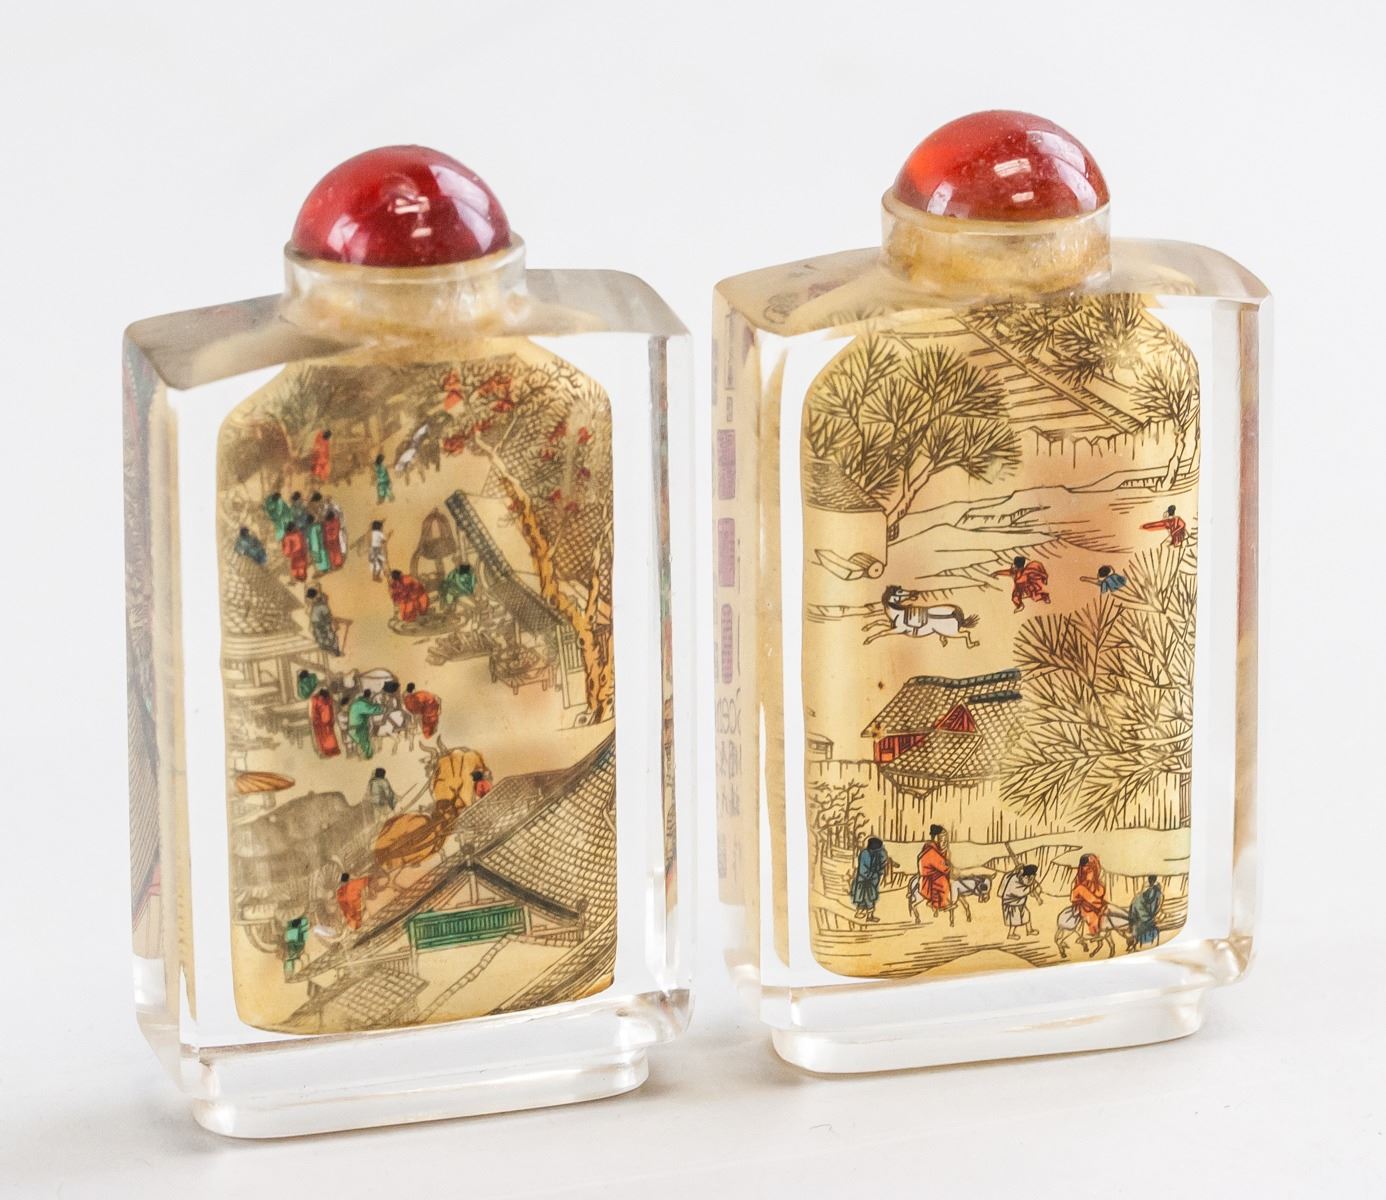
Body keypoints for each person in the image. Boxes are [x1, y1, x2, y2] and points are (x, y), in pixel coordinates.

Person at [850, 836, 889, 922]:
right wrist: (872, 874)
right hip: (864, 880)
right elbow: (863, 870)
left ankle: (866, 915)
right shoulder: (865, 854)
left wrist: (878, 872)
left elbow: (883, 861)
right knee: (867, 898)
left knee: (869, 897)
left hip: (872, 880)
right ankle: (867, 915)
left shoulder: (877, 853)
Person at [1071, 853, 1108, 938]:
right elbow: (1073, 897)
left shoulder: (1100, 884)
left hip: (1097, 907)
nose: (1089, 869)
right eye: (1086, 866)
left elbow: (1101, 895)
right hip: (1084, 907)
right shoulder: (1079, 883)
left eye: (1092, 866)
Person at [1000, 863, 1041, 939]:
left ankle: (1029, 930)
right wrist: (1032, 888)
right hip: (1011, 904)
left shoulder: (1023, 879)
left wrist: (1036, 894)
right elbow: (1021, 892)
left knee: (1026, 915)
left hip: (1020, 903)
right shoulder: (1014, 880)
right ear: (1025, 876)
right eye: (1029, 878)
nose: (1030, 880)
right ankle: (1010, 934)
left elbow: (1029, 887)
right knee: (1015, 920)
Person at [917, 824, 951, 915]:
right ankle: (940, 904)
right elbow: (943, 866)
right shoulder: (931, 851)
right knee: (942, 882)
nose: (944, 842)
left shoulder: (937, 849)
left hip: (935, 872)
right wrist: (950, 868)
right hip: (929, 877)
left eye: (945, 840)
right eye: (942, 840)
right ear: (936, 839)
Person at [1128, 874, 1163, 948]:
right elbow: (1145, 894)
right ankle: (1133, 917)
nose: (1150, 881)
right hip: (1146, 905)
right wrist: (1143, 894)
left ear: (1154, 880)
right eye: (1150, 880)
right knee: (1136, 899)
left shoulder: (1156, 889)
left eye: (1152, 880)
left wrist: (1143, 895)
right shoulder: (1150, 887)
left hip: (1150, 910)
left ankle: (1140, 918)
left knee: (1137, 901)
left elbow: (1151, 900)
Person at [347, 689, 383, 759]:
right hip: (358, 730)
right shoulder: (363, 704)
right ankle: (368, 758)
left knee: (364, 745)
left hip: (353, 729)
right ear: (369, 697)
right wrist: (380, 705)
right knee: (367, 747)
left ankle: (365, 756)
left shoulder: (356, 703)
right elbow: (375, 710)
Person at [305, 587, 341, 656]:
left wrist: (331, 622)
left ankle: (335, 649)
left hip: (324, 624)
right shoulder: (312, 606)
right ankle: (326, 648)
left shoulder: (321, 605)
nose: (310, 600)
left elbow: (327, 615)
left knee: (330, 636)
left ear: (314, 597)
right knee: (319, 637)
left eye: (311, 598)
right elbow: (308, 614)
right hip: (316, 624)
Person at [309, 687, 340, 757]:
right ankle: (329, 750)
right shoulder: (323, 699)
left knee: (324, 737)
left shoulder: (317, 699)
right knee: (327, 737)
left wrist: (315, 720)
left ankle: (328, 751)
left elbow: (314, 712)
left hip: (323, 722)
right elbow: (315, 712)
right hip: (324, 722)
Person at [322, 501, 345, 570]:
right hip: (335, 539)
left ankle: (334, 564)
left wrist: (325, 541)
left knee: (331, 553)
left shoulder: (326, 524)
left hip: (329, 540)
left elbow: (325, 533)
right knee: (337, 551)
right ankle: (338, 563)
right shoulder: (336, 521)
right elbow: (338, 528)